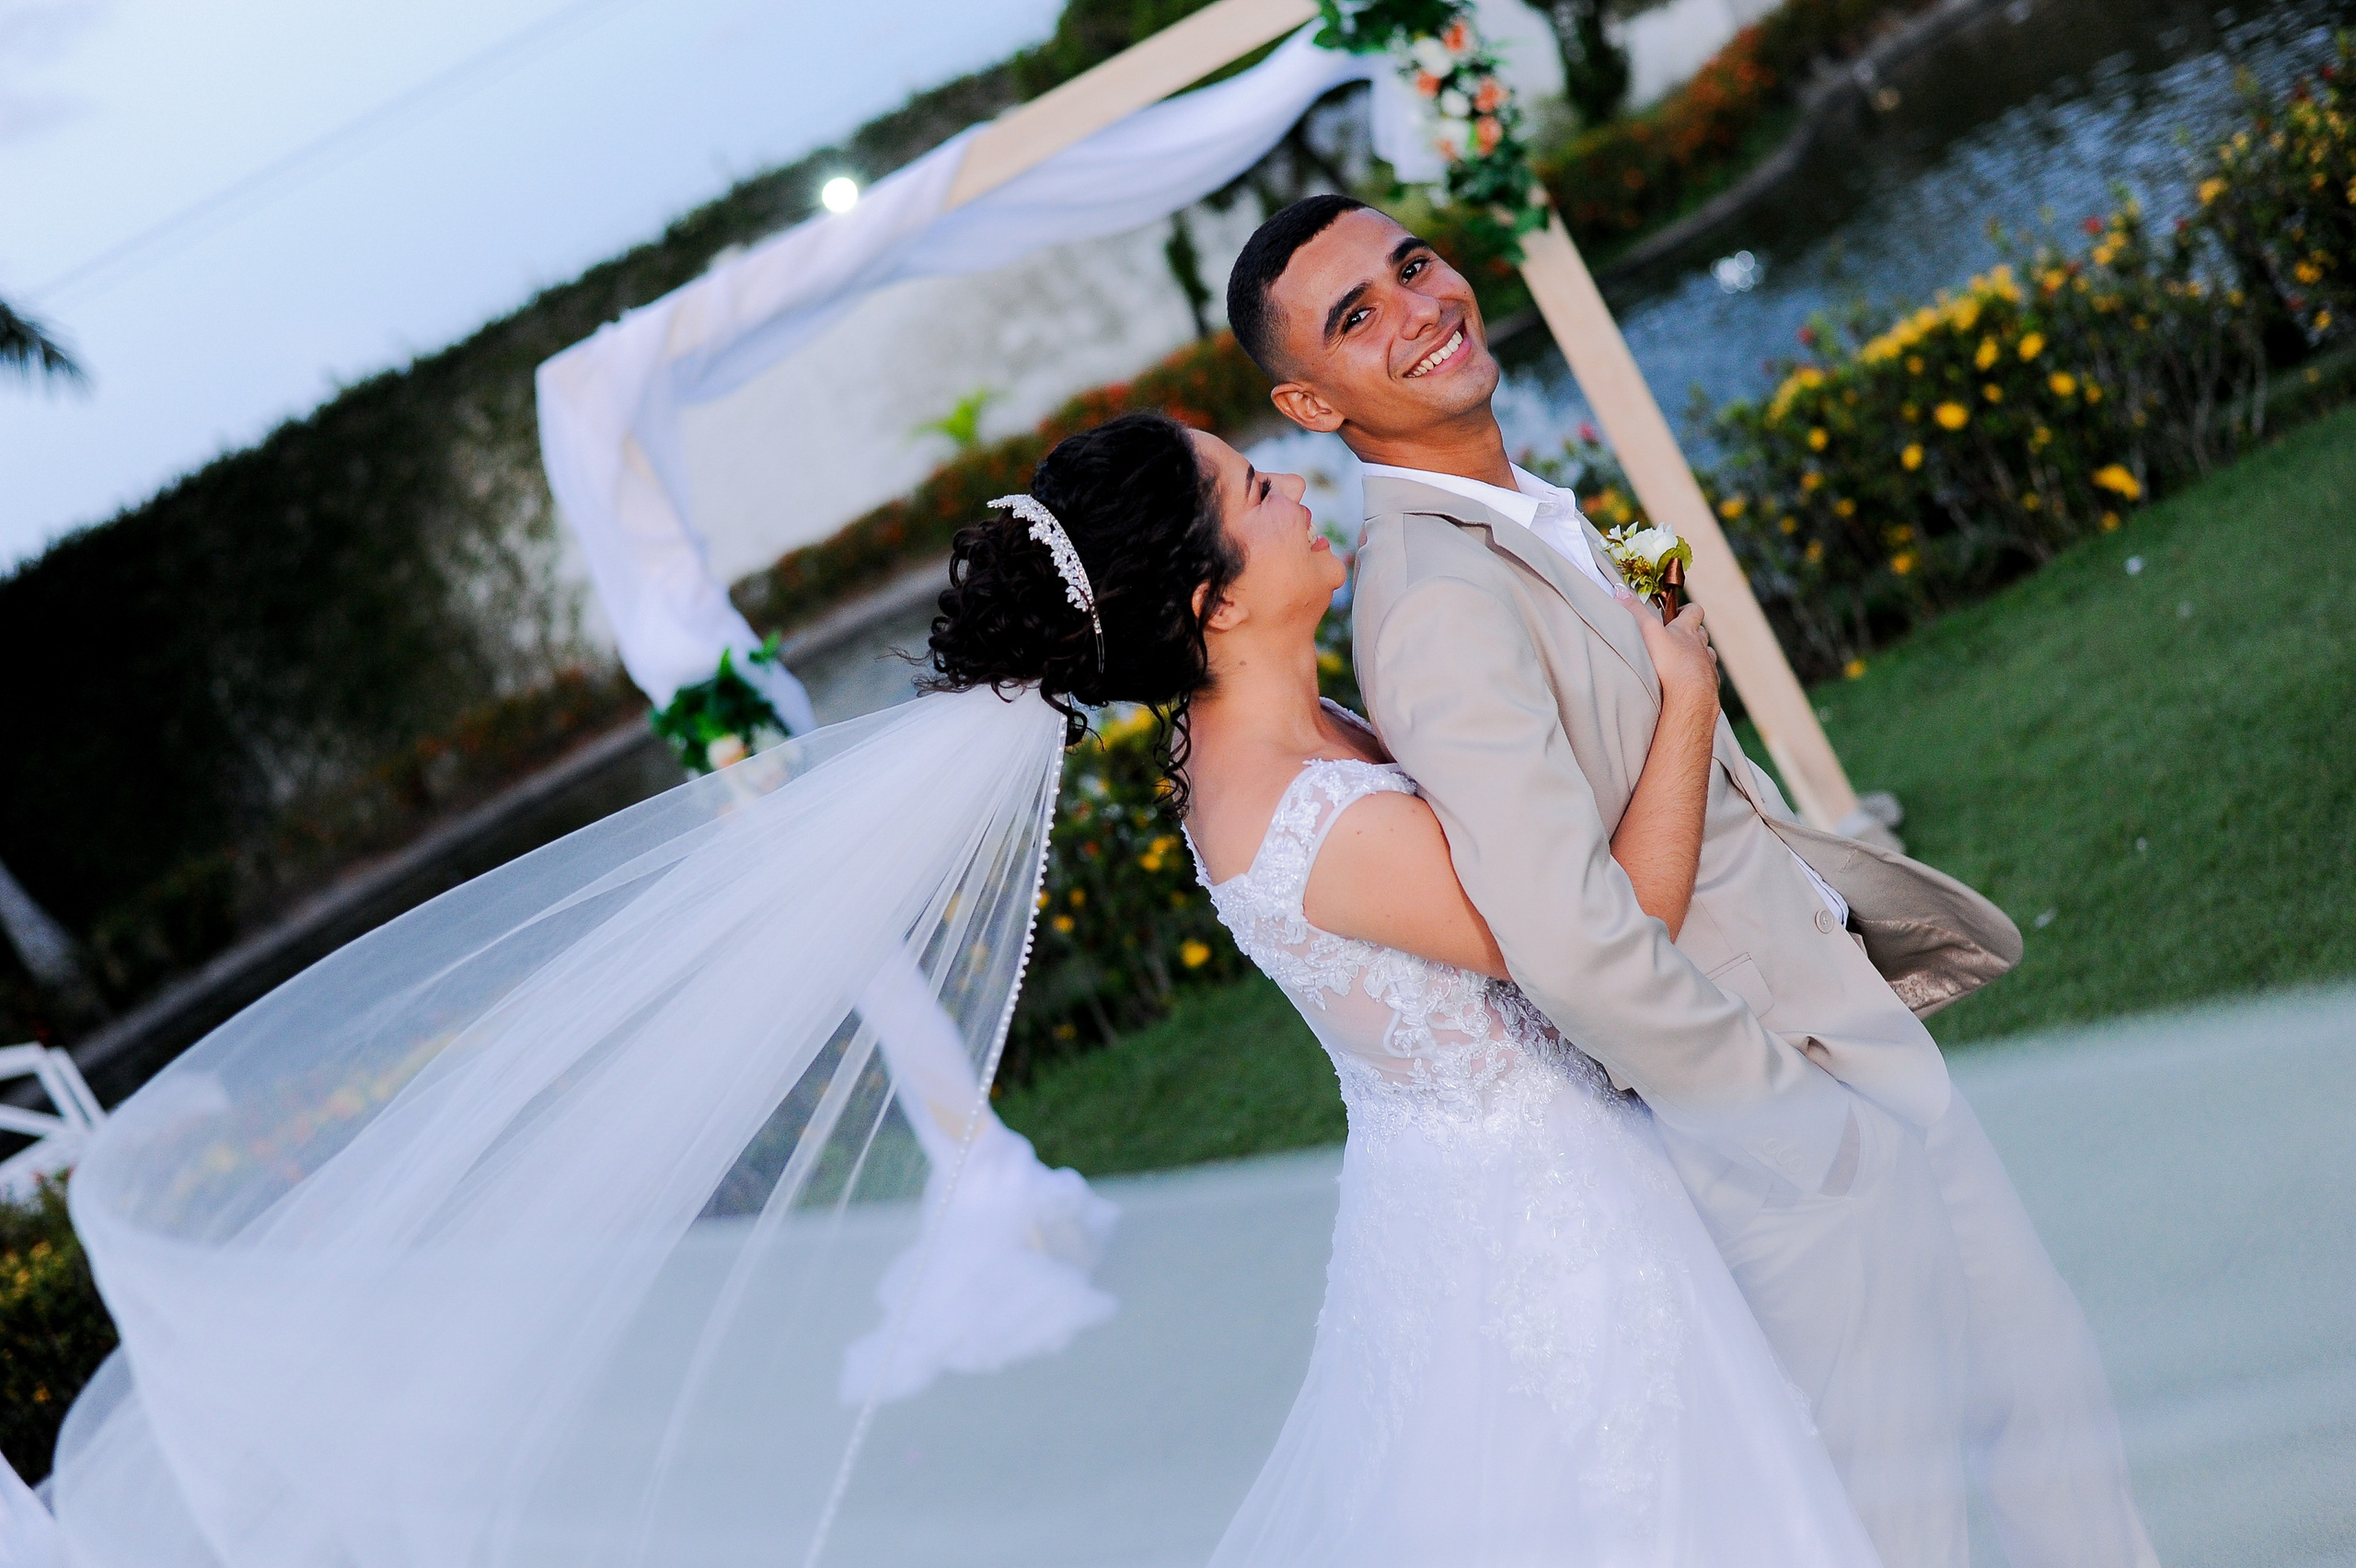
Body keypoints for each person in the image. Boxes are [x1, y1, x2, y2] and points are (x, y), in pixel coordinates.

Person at [1218, 193, 2156, 1568]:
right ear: (1311, 399)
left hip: (1848, 1042)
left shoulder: (1524, 503)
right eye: (1360, 316)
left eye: (1413, 266)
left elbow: (1674, 734)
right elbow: (1570, 939)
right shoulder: (1427, 607)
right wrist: (1795, 1128)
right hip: (1783, 1125)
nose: (1419, 308)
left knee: (2055, 1414)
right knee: (1899, 1522)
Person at [926, 409, 1882, 1564]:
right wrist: (1683, 695)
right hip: (1544, 1223)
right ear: (1212, 601)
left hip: (1518, 1179)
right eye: (1249, 489)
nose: (1288, 481)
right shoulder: (1298, 817)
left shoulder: (1309, 729)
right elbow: (1615, 935)